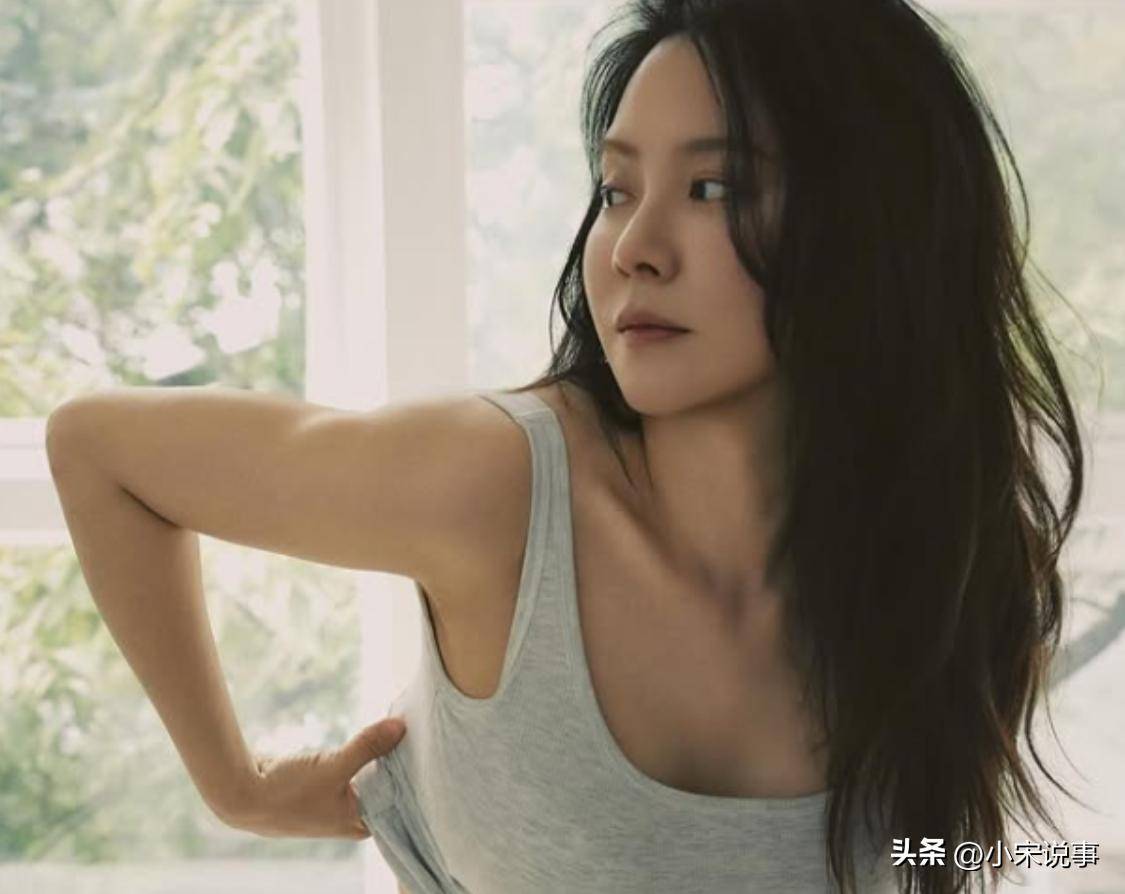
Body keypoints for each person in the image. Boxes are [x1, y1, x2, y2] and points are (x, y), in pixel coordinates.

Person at [46, 0, 1087, 892]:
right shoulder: (499, 492)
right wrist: (240, 788)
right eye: (617, 190)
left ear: (874, 223)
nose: (634, 248)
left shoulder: (951, 576)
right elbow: (100, 450)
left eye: (713, 189)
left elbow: (943, 854)